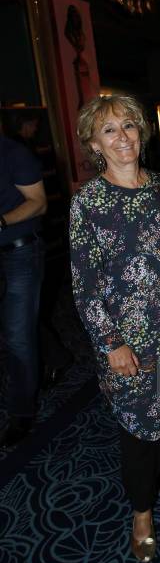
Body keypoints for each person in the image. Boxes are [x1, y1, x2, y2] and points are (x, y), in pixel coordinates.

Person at [70, 95, 160, 563]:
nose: (123, 137)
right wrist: (111, 343)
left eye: (129, 126)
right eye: (110, 130)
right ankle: (142, 515)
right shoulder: (88, 202)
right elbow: (84, 285)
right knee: (139, 432)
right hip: (129, 342)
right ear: (95, 143)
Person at [0, 132, 47, 447]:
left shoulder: (13, 153)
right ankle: (57, 358)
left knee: (17, 336)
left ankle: (22, 412)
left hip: (20, 254)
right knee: (17, 325)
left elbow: (39, 203)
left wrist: (1, 221)